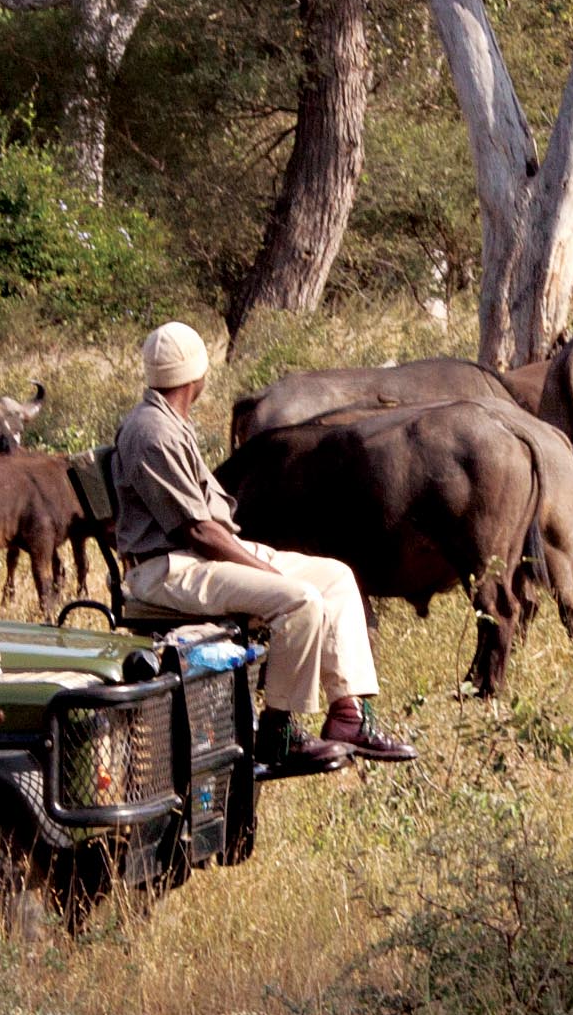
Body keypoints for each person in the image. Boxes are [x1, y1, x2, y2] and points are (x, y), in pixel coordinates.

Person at [103, 323, 412, 769]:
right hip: (167, 568)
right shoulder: (152, 432)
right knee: (298, 600)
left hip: (197, 558)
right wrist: (261, 568)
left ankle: (348, 716)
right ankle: (278, 731)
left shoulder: (168, 421)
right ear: (197, 375)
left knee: (337, 578)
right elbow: (197, 530)